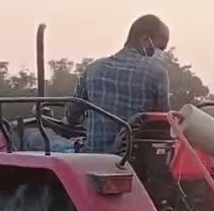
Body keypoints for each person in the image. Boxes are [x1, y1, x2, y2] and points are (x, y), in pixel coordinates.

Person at [64, 14, 172, 153]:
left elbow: (71, 116)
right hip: (133, 158)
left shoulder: (94, 69)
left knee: (41, 140)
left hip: (93, 156)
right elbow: (164, 125)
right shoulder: (157, 73)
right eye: (161, 48)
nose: (161, 54)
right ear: (145, 40)